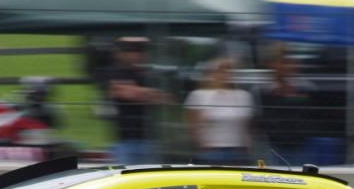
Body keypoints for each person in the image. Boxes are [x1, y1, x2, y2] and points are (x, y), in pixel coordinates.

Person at [107, 37, 169, 165]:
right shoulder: (114, 72)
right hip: (125, 140)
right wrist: (150, 94)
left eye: (140, 51)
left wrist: (137, 92)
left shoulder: (151, 75)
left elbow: (165, 98)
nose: (137, 55)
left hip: (150, 139)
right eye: (131, 51)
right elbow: (122, 92)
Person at [184, 58, 254, 165]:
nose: (226, 74)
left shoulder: (244, 96)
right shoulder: (199, 95)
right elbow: (193, 126)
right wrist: (203, 145)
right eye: (221, 70)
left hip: (238, 152)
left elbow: (248, 126)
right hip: (210, 153)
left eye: (229, 70)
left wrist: (247, 147)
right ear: (212, 73)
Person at [257, 47, 314, 166]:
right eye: (281, 62)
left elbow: (310, 113)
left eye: (288, 62)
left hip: (300, 144)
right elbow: (260, 118)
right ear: (272, 65)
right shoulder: (262, 89)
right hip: (272, 145)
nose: (285, 67)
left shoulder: (305, 87)